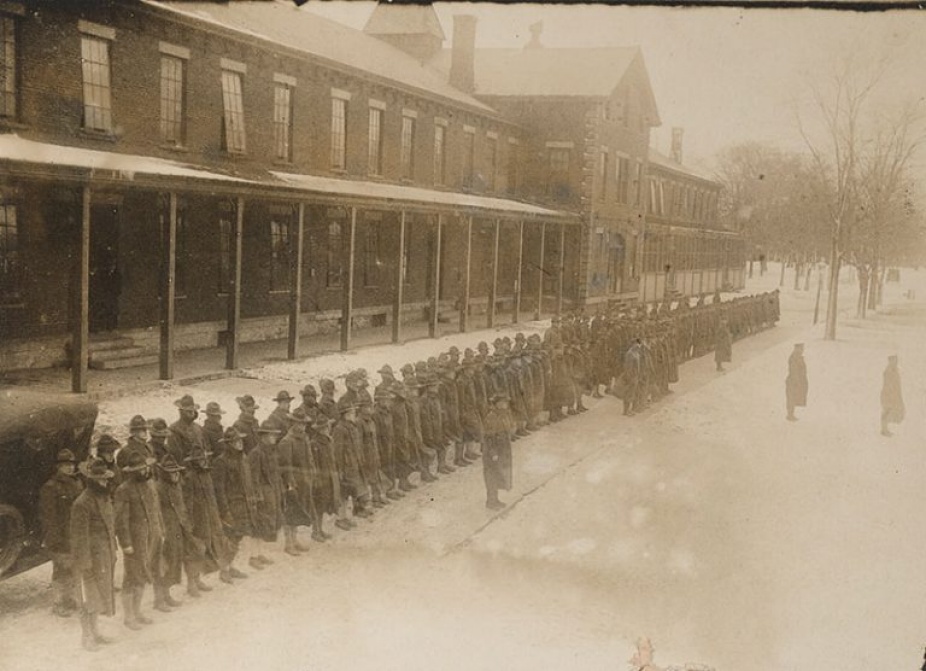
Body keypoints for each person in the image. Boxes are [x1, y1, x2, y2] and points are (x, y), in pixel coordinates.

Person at [70, 458, 118, 652]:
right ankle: (87, 636)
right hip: (89, 560)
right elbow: (79, 537)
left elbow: (109, 526)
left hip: (104, 555)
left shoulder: (104, 498)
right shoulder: (81, 504)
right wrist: (85, 564)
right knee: (88, 597)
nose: (105, 482)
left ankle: (96, 632)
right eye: (101, 480)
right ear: (92, 480)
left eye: (106, 479)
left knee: (99, 596)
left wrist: (113, 549)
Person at [113, 451, 163, 631]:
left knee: (142, 575)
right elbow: (121, 520)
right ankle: (128, 616)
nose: (144, 471)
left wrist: (160, 530)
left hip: (152, 537)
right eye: (139, 469)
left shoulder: (149, 484)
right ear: (132, 471)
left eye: (145, 467)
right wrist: (126, 543)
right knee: (131, 578)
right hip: (136, 541)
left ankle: (138, 611)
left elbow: (156, 510)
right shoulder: (123, 490)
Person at [39, 448, 83, 617]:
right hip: (61, 538)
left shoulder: (77, 483)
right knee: (61, 570)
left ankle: (70, 599)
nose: (70, 468)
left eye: (71, 464)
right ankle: (58, 603)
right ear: (58, 467)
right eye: (65, 465)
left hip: (75, 535)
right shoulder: (50, 488)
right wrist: (55, 541)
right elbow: (48, 518)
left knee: (73, 568)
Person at [154, 454, 201, 612]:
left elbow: (183, 504)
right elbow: (156, 512)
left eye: (176, 472)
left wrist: (187, 522)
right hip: (168, 528)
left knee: (189, 553)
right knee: (166, 561)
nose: (175, 475)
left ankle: (191, 583)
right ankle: (160, 598)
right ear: (164, 473)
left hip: (181, 525)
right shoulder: (158, 488)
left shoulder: (177, 485)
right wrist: (162, 531)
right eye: (171, 472)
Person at [182, 446, 232, 592]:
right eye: (199, 460)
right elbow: (188, 502)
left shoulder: (207, 475)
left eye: (204, 459)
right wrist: (190, 523)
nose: (203, 462)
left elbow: (213, 497)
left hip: (212, 516)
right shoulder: (189, 478)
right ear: (194, 462)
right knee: (196, 550)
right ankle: (192, 582)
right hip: (198, 520)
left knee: (217, 544)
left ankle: (222, 572)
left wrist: (217, 514)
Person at [212, 427, 259, 575]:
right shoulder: (221, 462)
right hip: (232, 505)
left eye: (240, 440)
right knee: (231, 537)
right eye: (235, 441)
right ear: (229, 443)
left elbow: (248, 481)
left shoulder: (243, 458)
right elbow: (219, 490)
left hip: (244, 503)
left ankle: (229, 567)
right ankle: (224, 569)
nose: (239, 443)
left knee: (238, 536)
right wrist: (225, 511)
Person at [276, 407, 315, 555]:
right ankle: (288, 543)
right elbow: (285, 466)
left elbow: (309, 457)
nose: (302, 426)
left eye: (304, 423)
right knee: (290, 512)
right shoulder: (287, 441)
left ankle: (295, 539)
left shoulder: (304, 438)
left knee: (299, 511)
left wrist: (311, 473)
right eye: (299, 423)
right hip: (292, 483)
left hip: (304, 480)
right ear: (293, 423)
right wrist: (290, 484)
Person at [248, 424, 284, 566]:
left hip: (272, 492)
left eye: (275, 435)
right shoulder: (256, 453)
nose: (274, 437)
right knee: (257, 525)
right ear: (264, 436)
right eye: (271, 435)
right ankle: (253, 557)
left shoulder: (270, 451)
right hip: (262, 494)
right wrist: (257, 496)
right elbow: (253, 477)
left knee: (265, 524)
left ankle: (259, 554)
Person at [483, 393, 513, 511]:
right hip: (493, 452)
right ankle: (491, 501)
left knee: (498, 474)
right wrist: (493, 453)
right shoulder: (491, 417)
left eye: (506, 403)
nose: (505, 405)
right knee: (491, 476)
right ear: (497, 404)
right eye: (503, 403)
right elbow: (489, 437)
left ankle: (495, 499)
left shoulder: (502, 415)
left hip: (502, 449)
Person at [880, 354, 905, 437]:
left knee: (890, 410)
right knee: (887, 410)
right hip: (888, 393)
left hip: (893, 393)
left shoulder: (895, 370)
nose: (896, 362)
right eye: (894, 360)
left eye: (896, 360)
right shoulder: (888, 371)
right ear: (890, 361)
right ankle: (884, 429)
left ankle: (885, 429)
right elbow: (888, 384)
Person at [786, 343, 808, 421]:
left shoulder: (797, 356)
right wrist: (797, 382)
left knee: (793, 398)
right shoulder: (794, 357)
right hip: (793, 381)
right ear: (797, 348)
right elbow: (794, 371)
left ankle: (791, 415)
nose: (802, 350)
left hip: (796, 381)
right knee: (791, 398)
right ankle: (790, 415)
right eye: (801, 348)